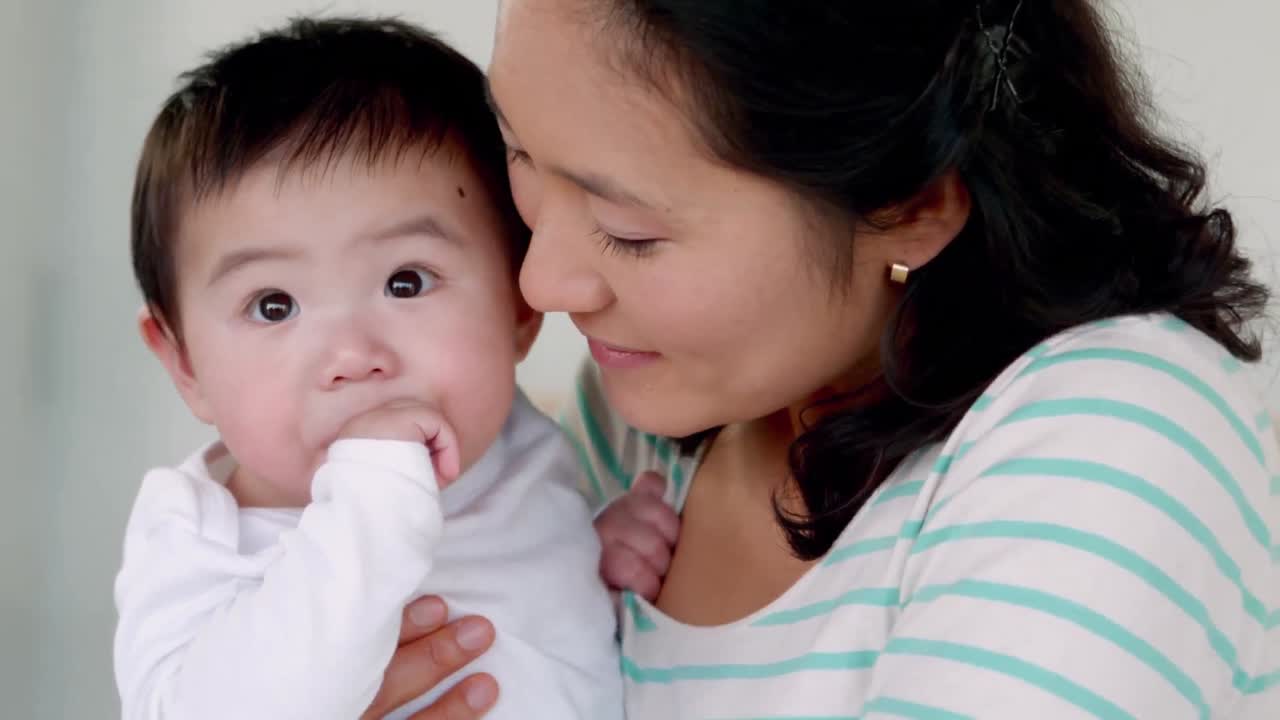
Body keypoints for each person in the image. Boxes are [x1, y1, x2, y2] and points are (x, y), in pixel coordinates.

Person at [380, 0, 1280, 717]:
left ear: (912, 205)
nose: (541, 285)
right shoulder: (645, 418)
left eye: (631, 233)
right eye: (522, 156)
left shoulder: (1114, 437)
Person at [111, 17, 622, 720]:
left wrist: (599, 551)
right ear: (185, 363)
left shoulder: (530, 450)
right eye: (273, 305)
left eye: (406, 282)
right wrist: (372, 501)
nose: (352, 357)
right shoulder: (196, 540)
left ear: (520, 306)